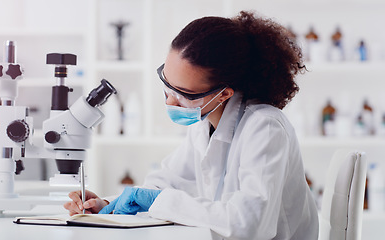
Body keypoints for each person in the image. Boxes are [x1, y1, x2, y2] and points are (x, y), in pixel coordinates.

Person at [64, 11, 319, 240]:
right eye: (167, 83)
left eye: (183, 93)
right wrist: (108, 203)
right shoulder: (205, 121)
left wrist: (156, 201)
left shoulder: (265, 127)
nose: (170, 100)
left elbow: (249, 224)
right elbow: (169, 181)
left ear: (223, 94)